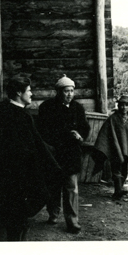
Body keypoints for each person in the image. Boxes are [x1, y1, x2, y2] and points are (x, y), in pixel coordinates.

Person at [0, 76, 61, 241]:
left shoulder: (14, 113)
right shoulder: (14, 116)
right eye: (29, 91)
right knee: (16, 219)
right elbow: (22, 151)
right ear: (19, 93)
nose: (32, 94)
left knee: (18, 218)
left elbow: (36, 144)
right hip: (15, 178)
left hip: (16, 176)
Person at [37, 75, 90, 234]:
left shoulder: (78, 108)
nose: (69, 94)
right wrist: (63, 136)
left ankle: (72, 221)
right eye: (66, 91)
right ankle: (53, 213)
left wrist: (80, 136)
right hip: (53, 153)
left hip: (71, 154)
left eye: (72, 91)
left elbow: (85, 128)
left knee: (71, 188)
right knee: (53, 185)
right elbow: (42, 131)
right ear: (58, 92)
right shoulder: (47, 107)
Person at [92, 95, 128, 199]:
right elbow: (104, 134)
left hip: (127, 150)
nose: (124, 107)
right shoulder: (112, 119)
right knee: (116, 170)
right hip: (114, 150)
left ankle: (120, 188)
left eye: (126, 105)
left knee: (124, 170)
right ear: (118, 106)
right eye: (121, 105)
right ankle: (117, 191)